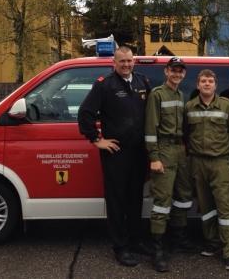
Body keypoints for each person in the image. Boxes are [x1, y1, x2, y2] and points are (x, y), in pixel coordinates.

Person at [78, 46, 151, 267]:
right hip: (116, 153)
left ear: (134, 61)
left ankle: (136, 241)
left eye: (129, 61)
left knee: (135, 199)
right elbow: (85, 114)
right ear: (114, 63)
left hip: (139, 152)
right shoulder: (105, 85)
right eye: (122, 61)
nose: (126, 65)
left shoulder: (143, 82)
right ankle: (120, 247)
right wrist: (97, 139)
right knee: (117, 201)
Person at [184, 69, 229, 271]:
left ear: (215, 85)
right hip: (198, 162)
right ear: (198, 85)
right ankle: (212, 242)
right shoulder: (189, 106)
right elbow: (187, 134)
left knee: (225, 206)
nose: (207, 84)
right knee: (205, 206)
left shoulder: (226, 106)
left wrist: (227, 156)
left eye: (210, 81)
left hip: (220, 162)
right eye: (203, 81)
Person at [145, 56, 195, 272]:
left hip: (180, 150)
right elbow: (150, 129)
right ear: (166, 72)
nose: (177, 74)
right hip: (164, 150)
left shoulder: (180, 95)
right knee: (162, 201)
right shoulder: (157, 94)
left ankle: (178, 238)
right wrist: (154, 157)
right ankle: (157, 249)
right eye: (173, 70)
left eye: (180, 71)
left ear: (184, 74)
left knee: (183, 196)